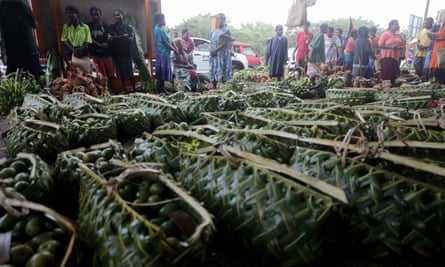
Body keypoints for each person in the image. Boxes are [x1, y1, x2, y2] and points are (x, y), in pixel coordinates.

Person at [0, 0, 44, 88]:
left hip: (13, 51)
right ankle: (47, 96)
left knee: (12, 80)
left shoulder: (1, 6)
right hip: (28, 47)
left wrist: (3, 52)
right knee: (37, 77)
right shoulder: (22, 4)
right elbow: (35, 25)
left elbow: (2, 31)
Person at [108, 9, 136, 92]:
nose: (117, 16)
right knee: (120, 73)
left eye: (118, 14)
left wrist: (115, 38)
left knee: (130, 72)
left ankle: (134, 89)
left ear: (122, 16)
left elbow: (130, 39)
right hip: (116, 54)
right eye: (115, 15)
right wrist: (123, 37)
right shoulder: (111, 27)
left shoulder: (128, 27)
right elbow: (109, 39)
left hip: (127, 53)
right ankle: (124, 88)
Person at [61, 5, 92, 73]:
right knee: (73, 72)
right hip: (71, 51)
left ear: (77, 14)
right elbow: (64, 39)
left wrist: (80, 49)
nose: (69, 15)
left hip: (83, 51)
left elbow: (88, 41)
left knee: (85, 72)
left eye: (71, 13)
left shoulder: (85, 27)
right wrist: (73, 49)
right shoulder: (66, 27)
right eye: (67, 13)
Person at [87, 6, 115, 82]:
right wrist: (99, 45)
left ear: (100, 14)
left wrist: (108, 39)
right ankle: (104, 91)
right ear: (91, 16)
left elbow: (109, 35)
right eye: (93, 14)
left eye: (97, 14)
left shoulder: (105, 25)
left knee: (111, 74)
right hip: (95, 54)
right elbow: (88, 38)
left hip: (107, 53)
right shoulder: (88, 26)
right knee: (100, 75)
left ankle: (113, 90)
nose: (96, 16)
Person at [153, 12, 177, 93]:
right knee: (161, 73)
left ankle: (161, 90)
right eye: (163, 19)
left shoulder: (161, 29)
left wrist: (174, 47)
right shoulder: (157, 29)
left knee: (162, 73)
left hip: (165, 53)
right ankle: (160, 90)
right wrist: (174, 49)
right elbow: (165, 42)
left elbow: (169, 40)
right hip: (162, 53)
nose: (164, 20)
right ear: (159, 20)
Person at [378, 19, 405, 87]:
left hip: (396, 57)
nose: (397, 26)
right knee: (386, 73)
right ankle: (385, 87)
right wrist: (391, 47)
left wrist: (401, 51)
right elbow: (380, 45)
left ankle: (392, 86)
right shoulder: (385, 34)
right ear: (391, 26)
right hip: (387, 57)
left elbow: (402, 45)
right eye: (396, 24)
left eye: (398, 24)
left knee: (394, 74)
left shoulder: (399, 35)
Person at [209, 13, 232, 89]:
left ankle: (224, 89)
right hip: (214, 55)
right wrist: (211, 51)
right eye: (218, 18)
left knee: (223, 72)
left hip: (222, 55)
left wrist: (215, 50)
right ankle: (214, 88)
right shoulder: (213, 31)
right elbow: (211, 42)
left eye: (221, 18)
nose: (219, 20)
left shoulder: (226, 30)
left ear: (224, 20)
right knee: (214, 72)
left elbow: (225, 43)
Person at [427, 9, 445, 84]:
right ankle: (435, 80)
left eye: (439, 15)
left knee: (440, 65)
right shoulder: (440, 26)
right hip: (437, 48)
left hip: (442, 48)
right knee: (436, 64)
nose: (437, 17)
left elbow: (442, 37)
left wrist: (437, 37)